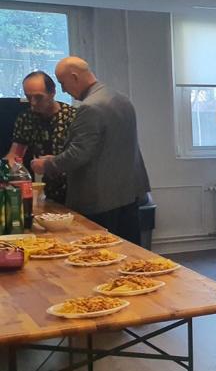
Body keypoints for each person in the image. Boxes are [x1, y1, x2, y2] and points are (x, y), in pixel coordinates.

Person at [30, 57, 150, 243]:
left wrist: (46, 164)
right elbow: (108, 148)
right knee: (130, 252)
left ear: (74, 77)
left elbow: (78, 154)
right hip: (129, 193)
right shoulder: (122, 99)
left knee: (101, 254)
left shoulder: (89, 107)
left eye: (62, 83)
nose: (63, 90)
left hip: (100, 200)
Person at [5, 70, 76, 204]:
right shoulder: (26, 118)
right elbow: (15, 155)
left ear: (52, 92)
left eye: (38, 97)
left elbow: (79, 156)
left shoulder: (72, 116)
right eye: (28, 97)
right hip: (48, 189)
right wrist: (5, 170)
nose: (33, 103)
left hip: (74, 187)